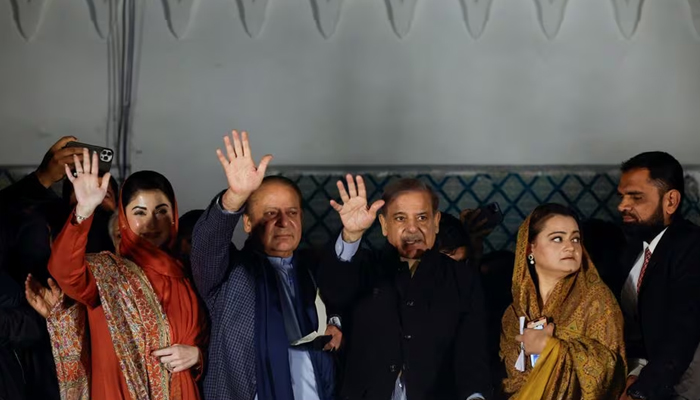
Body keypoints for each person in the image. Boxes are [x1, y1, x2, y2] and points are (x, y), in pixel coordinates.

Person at [46, 149, 207, 400]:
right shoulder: (107, 274)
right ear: (124, 219)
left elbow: (212, 339)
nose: (152, 223)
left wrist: (197, 355)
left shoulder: (191, 275)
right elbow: (64, 271)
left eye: (162, 211)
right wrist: (84, 210)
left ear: (174, 216)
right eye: (139, 212)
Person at [190, 131, 338, 400]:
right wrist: (235, 196)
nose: (284, 222)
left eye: (292, 212)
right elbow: (206, 246)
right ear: (247, 223)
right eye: (270, 213)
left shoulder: (312, 271)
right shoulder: (230, 273)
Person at [319, 176, 491, 400]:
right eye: (400, 218)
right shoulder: (364, 268)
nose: (412, 228)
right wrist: (351, 235)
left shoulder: (463, 279)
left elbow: (472, 354)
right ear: (384, 225)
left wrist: (475, 397)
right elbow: (334, 292)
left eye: (422, 217)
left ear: (436, 222)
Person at [500, 203, 626, 399]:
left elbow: (610, 371)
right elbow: (509, 380)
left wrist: (551, 349)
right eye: (557, 238)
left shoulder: (596, 299)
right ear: (529, 248)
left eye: (575, 238)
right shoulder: (515, 312)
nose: (570, 246)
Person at [612, 152, 700, 400]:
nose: (622, 206)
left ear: (670, 201)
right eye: (622, 196)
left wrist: (641, 390)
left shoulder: (692, 247)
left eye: (636, 197)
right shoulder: (635, 246)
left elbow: (683, 331)